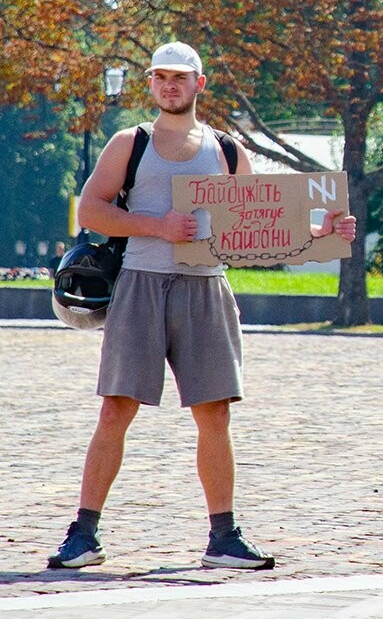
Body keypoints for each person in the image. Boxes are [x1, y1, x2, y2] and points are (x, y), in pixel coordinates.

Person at [47, 42, 357, 570]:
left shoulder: (228, 150)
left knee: (213, 413)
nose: (170, 86)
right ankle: (84, 533)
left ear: (199, 84)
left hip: (206, 287)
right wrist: (156, 225)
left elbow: (265, 226)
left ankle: (224, 536)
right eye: (161, 77)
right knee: (115, 408)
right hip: (142, 284)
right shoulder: (130, 143)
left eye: (180, 77)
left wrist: (323, 230)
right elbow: (94, 209)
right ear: (151, 84)